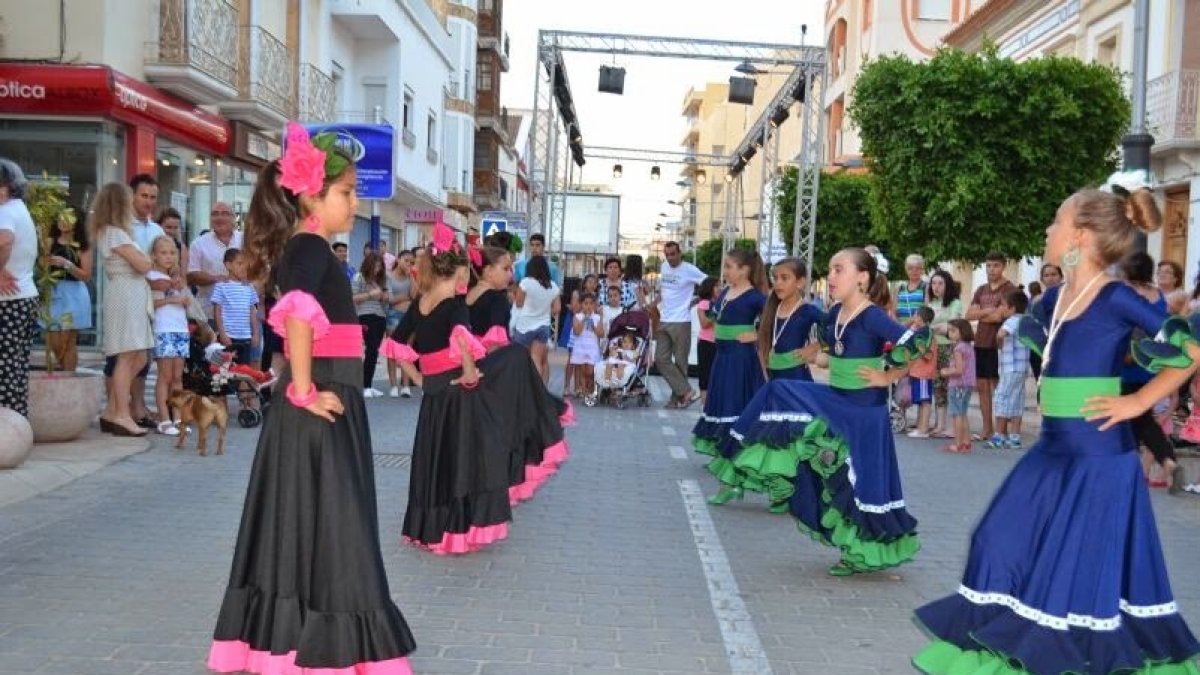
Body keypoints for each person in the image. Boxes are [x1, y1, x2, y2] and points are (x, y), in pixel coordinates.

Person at [912, 182, 1200, 674]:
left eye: (1056, 221)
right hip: (1052, 450)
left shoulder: (1115, 296)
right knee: (995, 539)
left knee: (1075, 573)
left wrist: (1138, 401)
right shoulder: (1056, 297)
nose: (1048, 229)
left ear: (1080, 236)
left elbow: (1190, 350)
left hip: (1098, 459)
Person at [207, 123, 416, 674]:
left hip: (326, 399)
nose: (355, 203)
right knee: (337, 529)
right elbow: (296, 312)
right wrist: (302, 389)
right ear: (310, 197)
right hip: (320, 402)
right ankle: (325, 650)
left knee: (314, 527)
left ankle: (297, 646)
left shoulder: (312, 248)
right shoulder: (308, 246)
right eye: (347, 193)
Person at [727, 247, 923, 575]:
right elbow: (836, 351)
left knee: (864, 482)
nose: (830, 277)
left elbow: (920, 343)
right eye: (830, 270)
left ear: (862, 277)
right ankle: (768, 464)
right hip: (838, 399)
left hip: (865, 410)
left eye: (839, 270)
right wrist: (818, 356)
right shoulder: (834, 315)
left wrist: (888, 376)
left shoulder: (872, 315)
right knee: (778, 391)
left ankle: (861, 552)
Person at [692, 248, 768, 505]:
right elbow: (712, 318)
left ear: (744, 270)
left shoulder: (756, 297)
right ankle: (731, 478)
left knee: (734, 417)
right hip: (722, 360)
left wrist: (756, 335)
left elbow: (774, 323)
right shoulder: (725, 292)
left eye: (729, 267)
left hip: (740, 362)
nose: (724, 272)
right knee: (723, 414)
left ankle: (730, 482)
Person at [92, 183, 155, 437]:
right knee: (128, 355)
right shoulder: (114, 233)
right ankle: (121, 413)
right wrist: (147, 260)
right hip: (127, 294)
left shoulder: (112, 232)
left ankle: (112, 409)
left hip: (131, 293)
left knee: (138, 356)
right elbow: (144, 265)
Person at [1120, 251, 1183, 491]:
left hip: (1126, 364)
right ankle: (1166, 461)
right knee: (1141, 417)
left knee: (1130, 418)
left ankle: (1133, 472)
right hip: (1150, 365)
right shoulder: (1158, 296)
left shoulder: (1125, 293)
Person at [0, 158, 39, 417]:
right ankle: (16, 421)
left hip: (8, 300)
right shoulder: (19, 209)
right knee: (16, 366)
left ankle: (5, 424)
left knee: (5, 367)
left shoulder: (5, 211)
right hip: (24, 296)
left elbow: (4, 241)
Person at [966, 251, 1016, 441]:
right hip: (980, 342)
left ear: (1003, 266)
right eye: (988, 265)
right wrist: (989, 311)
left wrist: (983, 313)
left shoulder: (1009, 289)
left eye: (995, 265)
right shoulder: (981, 289)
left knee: (999, 387)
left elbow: (999, 316)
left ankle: (1001, 429)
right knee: (982, 387)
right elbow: (969, 315)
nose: (991, 269)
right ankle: (987, 428)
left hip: (999, 344)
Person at [655, 241, 708, 408]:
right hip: (664, 319)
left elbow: (709, 283)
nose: (670, 258)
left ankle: (677, 399)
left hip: (682, 321)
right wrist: (653, 304)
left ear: (679, 253)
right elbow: (663, 291)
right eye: (667, 255)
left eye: (673, 254)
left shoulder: (689, 269)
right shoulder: (664, 267)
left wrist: (697, 300)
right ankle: (686, 391)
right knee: (660, 359)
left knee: (680, 362)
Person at [148, 236, 192, 436]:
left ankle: (179, 418)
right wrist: (173, 300)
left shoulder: (178, 278)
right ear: (154, 255)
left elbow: (186, 301)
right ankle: (164, 419)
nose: (168, 257)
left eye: (172, 253)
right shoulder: (151, 277)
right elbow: (151, 304)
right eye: (163, 253)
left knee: (177, 377)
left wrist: (183, 297)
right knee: (165, 376)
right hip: (163, 329)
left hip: (180, 329)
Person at [759, 257, 824, 384]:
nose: (778, 283)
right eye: (775, 278)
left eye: (784, 278)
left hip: (796, 379)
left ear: (800, 282)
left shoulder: (807, 310)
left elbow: (834, 327)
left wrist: (814, 347)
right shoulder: (771, 309)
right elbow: (762, 345)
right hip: (772, 378)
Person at [44, 204, 93, 372]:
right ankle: (64, 372)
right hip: (53, 291)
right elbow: (41, 266)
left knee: (68, 341)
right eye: (60, 217)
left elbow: (86, 275)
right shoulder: (49, 241)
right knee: (54, 341)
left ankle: (69, 377)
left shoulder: (83, 246)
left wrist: (67, 264)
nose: (63, 221)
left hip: (74, 294)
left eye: (68, 218)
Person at [187, 201, 243, 321]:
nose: (219, 217)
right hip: (209, 313)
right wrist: (216, 278)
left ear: (234, 218)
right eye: (215, 214)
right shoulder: (198, 244)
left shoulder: (245, 240)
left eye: (225, 213)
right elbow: (191, 276)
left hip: (242, 314)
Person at [990, 290, 1030, 449]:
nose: (1001, 308)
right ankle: (1014, 437)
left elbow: (1001, 334)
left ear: (1012, 308)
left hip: (1010, 367)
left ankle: (999, 436)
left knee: (1002, 397)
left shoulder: (1011, 320)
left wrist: (998, 342)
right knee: (1017, 400)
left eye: (1003, 305)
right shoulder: (1025, 320)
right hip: (1022, 367)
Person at [926, 270, 962, 439]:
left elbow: (952, 326)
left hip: (950, 348)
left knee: (951, 386)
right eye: (933, 283)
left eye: (940, 283)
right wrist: (940, 327)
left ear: (948, 285)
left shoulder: (955, 303)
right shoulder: (931, 304)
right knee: (938, 386)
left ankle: (954, 426)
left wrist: (937, 328)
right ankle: (940, 425)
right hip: (934, 348)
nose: (936, 287)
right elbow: (926, 326)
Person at [512, 255, 560, 384]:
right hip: (543, 326)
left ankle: (521, 388)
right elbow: (557, 308)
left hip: (524, 326)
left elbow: (518, 304)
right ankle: (536, 389)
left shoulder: (525, 282)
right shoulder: (553, 286)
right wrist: (544, 310)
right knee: (537, 359)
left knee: (520, 360)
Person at [210, 249, 260, 372]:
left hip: (245, 337)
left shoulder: (249, 287)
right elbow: (217, 312)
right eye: (239, 263)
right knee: (226, 370)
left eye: (245, 264)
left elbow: (252, 312)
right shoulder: (221, 286)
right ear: (228, 265)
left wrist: (255, 334)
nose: (243, 267)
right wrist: (222, 334)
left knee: (244, 370)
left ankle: (243, 386)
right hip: (229, 336)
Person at [352, 252, 390, 398]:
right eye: (375, 265)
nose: (377, 269)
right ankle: (364, 385)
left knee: (374, 351)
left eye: (380, 266)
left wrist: (384, 297)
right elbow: (352, 297)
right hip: (365, 315)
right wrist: (370, 295)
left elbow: (387, 298)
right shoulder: (359, 277)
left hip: (380, 316)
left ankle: (368, 385)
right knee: (371, 349)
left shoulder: (381, 280)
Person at [939, 319, 976, 453]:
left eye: (953, 331)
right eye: (949, 330)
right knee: (963, 413)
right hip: (968, 384)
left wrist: (945, 372)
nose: (950, 333)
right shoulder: (968, 346)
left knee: (956, 414)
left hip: (958, 384)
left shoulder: (958, 348)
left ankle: (958, 443)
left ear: (962, 332)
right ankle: (966, 442)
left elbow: (959, 370)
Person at [563, 274, 601, 398]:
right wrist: (584, 304)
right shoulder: (577, 293)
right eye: (589, 282)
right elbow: (574, 309)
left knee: (584, 362)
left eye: (594, 282)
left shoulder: (596, 297)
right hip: (578, 327)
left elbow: (597, 313)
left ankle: (579, 388)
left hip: (589, 333)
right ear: (584, 283)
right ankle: (567, 386)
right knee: (573, 359)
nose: (592, 284)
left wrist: (594, 305)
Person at [386, 250, 415, 397]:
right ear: (398, 259)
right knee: (392, 350)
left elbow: (414, 296)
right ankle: (393, 385)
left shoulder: (411, 277)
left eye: (411, 262)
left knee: (407, 350)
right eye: (406, 260)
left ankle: (405, 385)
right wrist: (406, 296)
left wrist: (412, 276)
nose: (408, 264)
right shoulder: (388, 276)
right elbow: (390, 299)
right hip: (393, 315)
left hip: (409, 316)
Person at [906, 306, 937, 438]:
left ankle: (923, 429)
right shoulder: (922, 331)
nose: (913, 318)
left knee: (925, 401)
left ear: (919, 318)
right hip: (918, 371)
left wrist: (920, 349)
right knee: (921, 400)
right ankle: (920, 426)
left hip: (923, 372)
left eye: (915, 315)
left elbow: (926, 353)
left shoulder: (924, 333)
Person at [1029, 263, 1062, 381]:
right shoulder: (1035, 301)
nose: (1050, 278)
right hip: (1041, 347)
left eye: (1054, 274)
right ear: (1042, 279)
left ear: (1061, 277)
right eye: (1046, 275)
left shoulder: (1067, 297)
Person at [569, 293, 604, 397]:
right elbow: (576, 332)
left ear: (594, 305)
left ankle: (590, 388)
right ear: (581, 304)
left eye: (591, 304)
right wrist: (584, 319)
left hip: (592, 347)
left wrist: (594, 326)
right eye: (586, 303)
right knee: (582, 370)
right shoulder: (577, 317)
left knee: (590, 371)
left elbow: (601, 333)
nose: (588, 306)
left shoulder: (597, 317)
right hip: (581, 346)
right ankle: (583, 391)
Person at [695, 277, 718, 405]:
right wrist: (715, 314)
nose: (720, 288)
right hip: (706, 342)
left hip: (718, 342)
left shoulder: (721, 303)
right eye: (716, 286)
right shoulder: (704, 303)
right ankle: (704, 401)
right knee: (705, 372)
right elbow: (704, 323)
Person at [157, 207, 189, 277]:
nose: (172, 231)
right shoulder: (153, 245)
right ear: (159, 226)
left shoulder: (182, 248)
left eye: (175, 228)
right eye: (168, 227)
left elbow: (183, 276)